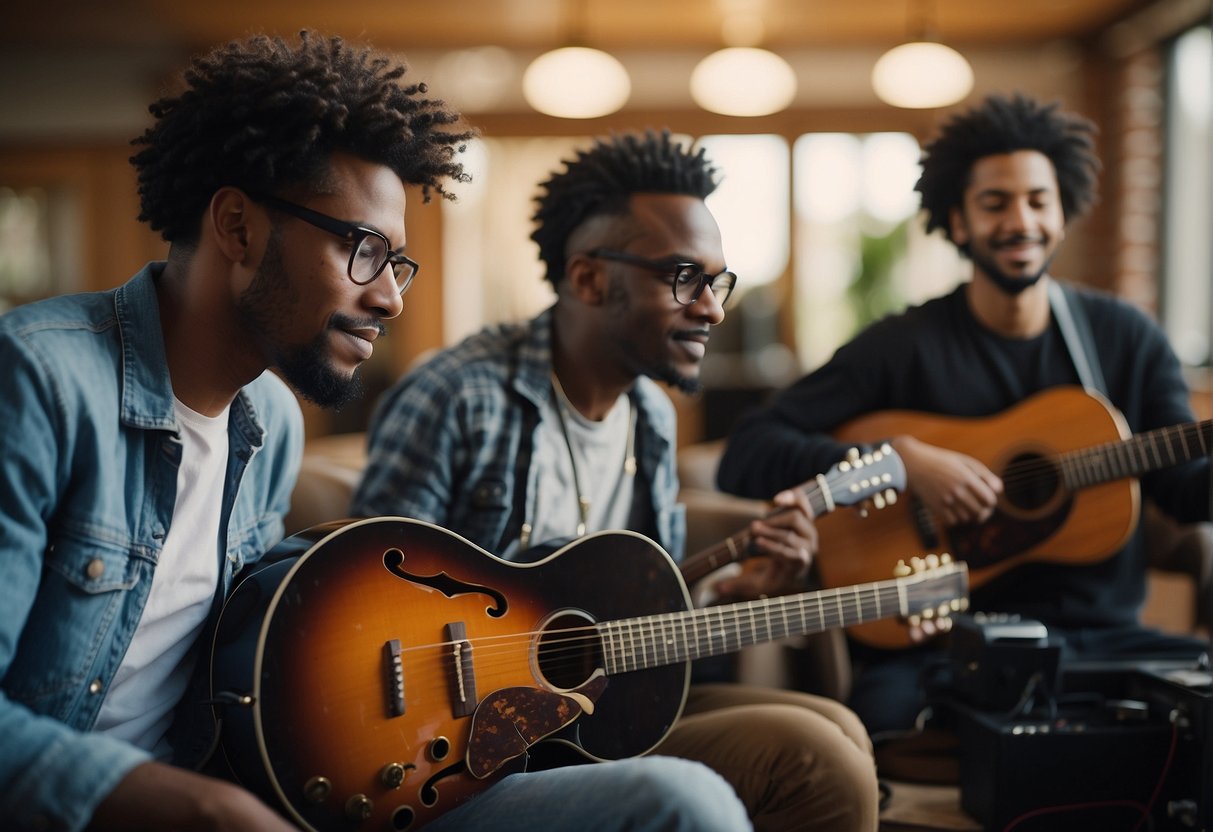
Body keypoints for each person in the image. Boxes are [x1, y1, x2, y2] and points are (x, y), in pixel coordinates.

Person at [0, 33, 752, 832]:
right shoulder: (39, 385)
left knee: (681, 803)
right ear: (237, 226)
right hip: (123, 810)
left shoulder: (271, 422)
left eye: (399, 265)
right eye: (363, 251)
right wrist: (198, 808)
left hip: (291, 791)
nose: (391, 300)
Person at [353, 130, 881, 832]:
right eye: (684, 278)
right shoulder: (457, 395)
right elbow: (356, 599)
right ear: (588, 279)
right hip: (456, 752)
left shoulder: (650, 419)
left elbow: (631, 622)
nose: (714, 310)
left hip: (585, 716)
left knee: (835, 727)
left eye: (718, 282)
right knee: (818, 756)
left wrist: (733, 592)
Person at [716, 93, 1212, 736]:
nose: (1020, 221)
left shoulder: (1125, 338)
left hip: (1102, 641)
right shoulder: (902, 345)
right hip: (942, 645)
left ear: (1063, 213)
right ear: (956, 220)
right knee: (884, 721)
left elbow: (1185, 487)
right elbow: (748, 449)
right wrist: (899, 463)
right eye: (995, 202)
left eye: (1038, 200)